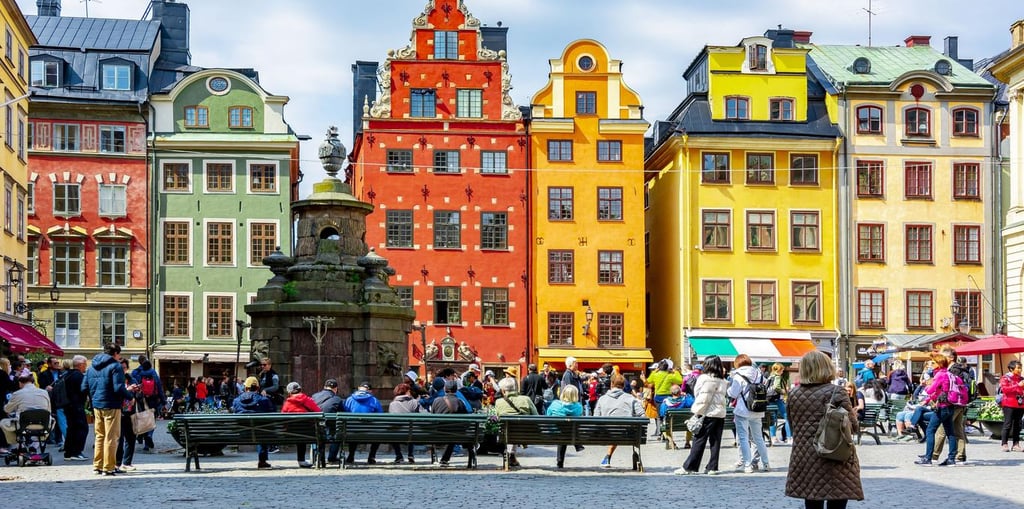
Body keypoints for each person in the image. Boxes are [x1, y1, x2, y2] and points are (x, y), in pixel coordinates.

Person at [785, 350, 863, 508]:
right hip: (835, 452)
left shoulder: (793, 394)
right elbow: (853, 426)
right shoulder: (837, 392)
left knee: (812, 497)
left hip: (805, 455)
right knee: (838, 496)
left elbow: (792, 426)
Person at [82, 344, 139, 476]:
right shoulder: (115, 366)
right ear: (116, 353)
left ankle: (97, 465)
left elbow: (83, 387)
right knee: (111, 437)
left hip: (97, 405)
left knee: (99, 436)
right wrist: (130, 396)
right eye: (119, 354)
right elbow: (118, 388)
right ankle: (108, 467)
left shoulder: (91, 367)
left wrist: (94, 397)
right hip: (112, 405)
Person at [675, 355, 729, 475]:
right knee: (715, 441)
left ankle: (689, 467)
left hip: (705, 412)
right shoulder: (723, 380)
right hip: (719, 413)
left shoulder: (703, 378)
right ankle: (712, 467)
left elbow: (697, 392)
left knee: (699, 439)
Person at [728, 354, 770, 473]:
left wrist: (728, 389)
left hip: (743, 410)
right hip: (757, 409)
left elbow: (733, 393)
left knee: (743, 438)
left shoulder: (738, 375)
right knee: (758, 438)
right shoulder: (759, 374)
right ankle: (766, 463)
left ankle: (747, 465)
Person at [914, 353, 958, 466]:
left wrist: (926, 384)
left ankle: (928, 458)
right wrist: (928, 400)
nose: (930, 365)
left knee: (930, 430)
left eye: (933, 362)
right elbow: (940, 391)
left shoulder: (940, 375)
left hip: (942, 407)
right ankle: (951, 459)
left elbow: (930, 390)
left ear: (939, 363)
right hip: (950, 406)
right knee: (950, 433)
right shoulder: (948, 373)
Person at [594, 374, 643, 468]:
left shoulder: (602, 399)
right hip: (627, 435)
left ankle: (607, 457)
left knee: (613, 429)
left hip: (605, 435)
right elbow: (642, 415)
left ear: (611, 384)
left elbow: (596, 418)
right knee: (620, 429)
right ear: (624, 385)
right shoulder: (631, 399)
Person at [932, 347, 969, 463]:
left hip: (952, 403)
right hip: (961, 402)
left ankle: (933, 455)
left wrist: (938, 401)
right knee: (958, 430)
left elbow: (946, 389)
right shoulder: (961, 369)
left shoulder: (953, 370)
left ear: (951, 357)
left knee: (942, 429)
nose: (941, 359)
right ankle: (960, 455)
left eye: (943, 356)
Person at [493, 376, 538, 468]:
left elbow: (495, 418)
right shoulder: (526, 399)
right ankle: (512, 455)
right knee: (515, 429)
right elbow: (536, 416)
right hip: (526, 434)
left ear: (503, 390)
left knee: (508, 429)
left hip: (506, 434)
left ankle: (510, 454)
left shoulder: (499, 402)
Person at [1, 373, 51, 454]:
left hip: (23, 424)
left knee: (3, 423)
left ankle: (19, 444)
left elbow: (7, 410)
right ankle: (35, 445)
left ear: (20, 383)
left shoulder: (17, 393)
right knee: (52, 421)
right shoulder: (44, 392)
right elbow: (48, 410)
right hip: (42, 423)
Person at [232, 376, 275, 469]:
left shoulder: (236, 401)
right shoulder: (264, 400)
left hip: (241, 433)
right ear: (258, 388)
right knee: (263, 429)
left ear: (245, 388)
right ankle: (262, 461)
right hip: (261, 433)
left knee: (261, 429)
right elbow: (272, 414)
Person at [431, 379, 473, 467]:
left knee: (451, 431)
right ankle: (446, 459)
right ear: (456, 390)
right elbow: (466, 419)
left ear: (444, 389)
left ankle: (444, 459)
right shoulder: (460, 402)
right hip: (456, 434)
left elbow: (432, 418)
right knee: (454, 432)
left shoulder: (437, 401)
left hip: (439, 433)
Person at [343, 381, 386, 464]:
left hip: (352, 431)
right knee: (378, 434)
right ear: (370, 391)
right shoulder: (374, 400)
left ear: (359, 388)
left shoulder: (349, 399)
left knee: (353, 429)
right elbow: (380, 415)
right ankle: (371, 457)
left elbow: (344, 413)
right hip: (370, 432)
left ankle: (351, 456)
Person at [281, 381, 320, 468]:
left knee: (298, 431)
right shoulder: (308, 400)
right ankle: (303, 460)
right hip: (308, 433)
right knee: (305, 432)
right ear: (300, 390)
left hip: (291, 433)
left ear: (289, 393)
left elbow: (282, 419)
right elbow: (318, 412)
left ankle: (301, 460)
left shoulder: (287, 403)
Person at [546, 384, 584, 468]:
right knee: (568, 430)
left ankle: (560, 460)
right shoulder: (578, 407)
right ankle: (577, 444)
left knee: (562, 433)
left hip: (554, 433)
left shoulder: (555, 404)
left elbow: (547, 415)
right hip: (571, 434)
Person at [131, 356, 163, 452]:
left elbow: (133, 385)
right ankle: (149, 436)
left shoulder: (136, 372)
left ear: (139, 362)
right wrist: (163, 399)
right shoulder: (153, 372)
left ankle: (142, 436)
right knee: (151, 419)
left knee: (142, 418)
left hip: (141, 399)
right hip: (153, 399)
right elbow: (159, 385)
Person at [388, 382, 424, 463]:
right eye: (409, 390)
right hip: (411, 432)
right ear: (406, 391)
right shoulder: (414, 402)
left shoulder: (392, 404)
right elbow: (423, 414)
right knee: (411, 428)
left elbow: (392, 421)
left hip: (397, 433)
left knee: (393, 431)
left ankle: (398, 455)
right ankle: (410, 454)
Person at [62, 356, 89, 461]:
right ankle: (77, 452)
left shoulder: (68, 374)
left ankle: (68, 452)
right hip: (77, 405)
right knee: (82, 428)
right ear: (80, 365)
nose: (86, 366)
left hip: (68, 405)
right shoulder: (78, 376)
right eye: (85, 364)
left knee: (71, 429)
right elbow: (83, 390)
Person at [312, 378, 344, 464]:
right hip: (330, 428)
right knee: (338, 433)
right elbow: (342, 414)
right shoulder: (337, 399)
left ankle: (318, 456)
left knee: (317, 432)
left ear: (324, 387)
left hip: (316, 427)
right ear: (336, 389)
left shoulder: (314, 396)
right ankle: (332, 457)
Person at [115, 358, 139, 472]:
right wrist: (127, 389)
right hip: (119, 411)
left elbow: (138, 396)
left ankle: (127, 462)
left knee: (131, 437)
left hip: (130, 411)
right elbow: (115, 392)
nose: (123, 369)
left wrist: (137, 390)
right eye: (121, 367)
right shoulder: (115, 378)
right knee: (119, 438)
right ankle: (117, 463)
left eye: (124, 367)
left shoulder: (131, 379)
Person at [998, 360, 1024, 452]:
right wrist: (1018, 385)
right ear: (1011, 369)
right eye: (1018, 368)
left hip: (1020, 404)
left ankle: (1016, 444)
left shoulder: (1021, 379)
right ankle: (1004, 443)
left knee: (1018, 425)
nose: (1020, 370)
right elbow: (1005, 390)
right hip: (1009, 404)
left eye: (1021, 368)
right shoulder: (1005, 378)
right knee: (1008, 424)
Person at [766, 363, 792, 444]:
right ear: (778, 370)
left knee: (772, 419)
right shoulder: (777, 377)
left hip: (770, 399)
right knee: (787, 417)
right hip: (778, 399)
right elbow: (776, 387)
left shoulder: (770, 376)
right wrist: (784, 391)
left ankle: (773, 438)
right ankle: (789, 438)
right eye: (782, 370)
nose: (783, 372)